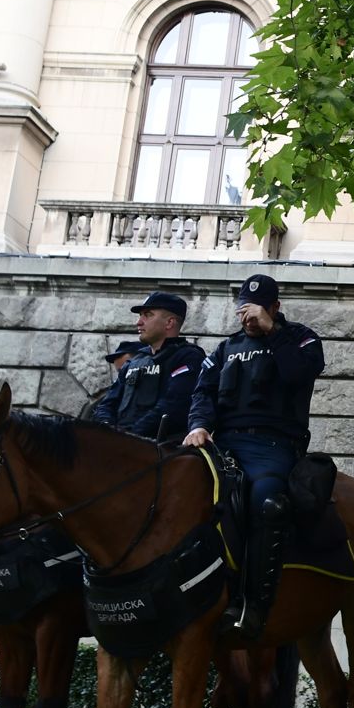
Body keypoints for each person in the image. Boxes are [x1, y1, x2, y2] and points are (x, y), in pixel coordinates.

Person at [184, 275, 324, 641]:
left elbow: (300, 375)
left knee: (267, 504)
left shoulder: (301, 339)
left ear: (275, 308)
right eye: (244, 307)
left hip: (273, 446)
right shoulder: (225, 349)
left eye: (257, 308)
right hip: (223, 443)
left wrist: (272, 332)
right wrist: (199, 425)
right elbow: (203, 393)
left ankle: (253, 605)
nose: (248, 315)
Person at [90, 292, 206, 440]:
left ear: (169, 323)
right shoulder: (136, 360)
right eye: (140, 316)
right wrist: (107, 427)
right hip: (120, 442)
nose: (139, 322)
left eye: (148, 315)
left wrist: (130, 436)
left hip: (160, 447)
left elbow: (172, 407)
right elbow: (107, 403)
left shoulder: (189, 357)